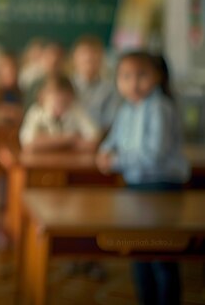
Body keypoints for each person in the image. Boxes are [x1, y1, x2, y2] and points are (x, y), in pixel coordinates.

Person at [96, 51, 189, 305]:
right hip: (135, 186)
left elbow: (153, 156)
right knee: (139, 252)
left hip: (161, 187)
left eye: (142, 75)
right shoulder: (127, 108)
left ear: (158, 76)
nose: (133, 83)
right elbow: (111, 140)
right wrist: (104, 153)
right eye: (125, 76)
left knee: (163, 254)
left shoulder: (160, 107)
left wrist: (114, 161)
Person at [20, 74, 100, 152]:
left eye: (62, 98)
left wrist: (44, 141)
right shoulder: (36, 112)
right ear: (42, 97)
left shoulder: (77, 111)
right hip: (40, 163)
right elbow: (27, 144)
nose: (57, 99)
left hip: (71, 163)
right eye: (52, 94)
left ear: (70, 97)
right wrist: (70, 139)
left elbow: (93, 141)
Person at [70, 35, 121, 133]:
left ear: (102, 57)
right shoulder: (64, 86)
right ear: (74, 57)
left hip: (98, 140)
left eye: (94, 53)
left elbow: (110, 123)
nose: (89, 57)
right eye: (84, 53)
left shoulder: (111, 89)